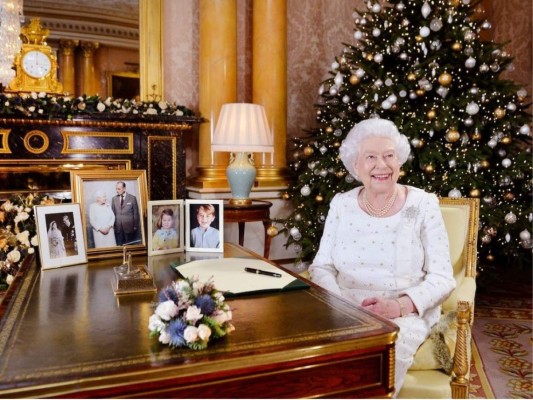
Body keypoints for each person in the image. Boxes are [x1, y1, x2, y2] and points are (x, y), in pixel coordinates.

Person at [307, 118, 456, 396]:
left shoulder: (423, 205)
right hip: (342, 308)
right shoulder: (342, 204)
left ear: (399, 162)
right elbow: (322, 265)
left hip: (401, 315)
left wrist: (399, 306)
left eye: (389, 156)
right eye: (371, 157)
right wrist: (339, 305)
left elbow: (442, 277)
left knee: (380, 359)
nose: (381, 165)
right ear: (355, 165)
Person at [111, 181, 140, 246]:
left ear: (124, 188)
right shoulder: (114, 199)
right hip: (118, 228)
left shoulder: (132, 198)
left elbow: (135, 213)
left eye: (119, 189)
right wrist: (113, 226)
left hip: (129, 227)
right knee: (119, 246)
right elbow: (112, 213)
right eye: (116, 188)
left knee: (129, 246)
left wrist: (135, 226)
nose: (117, 190)